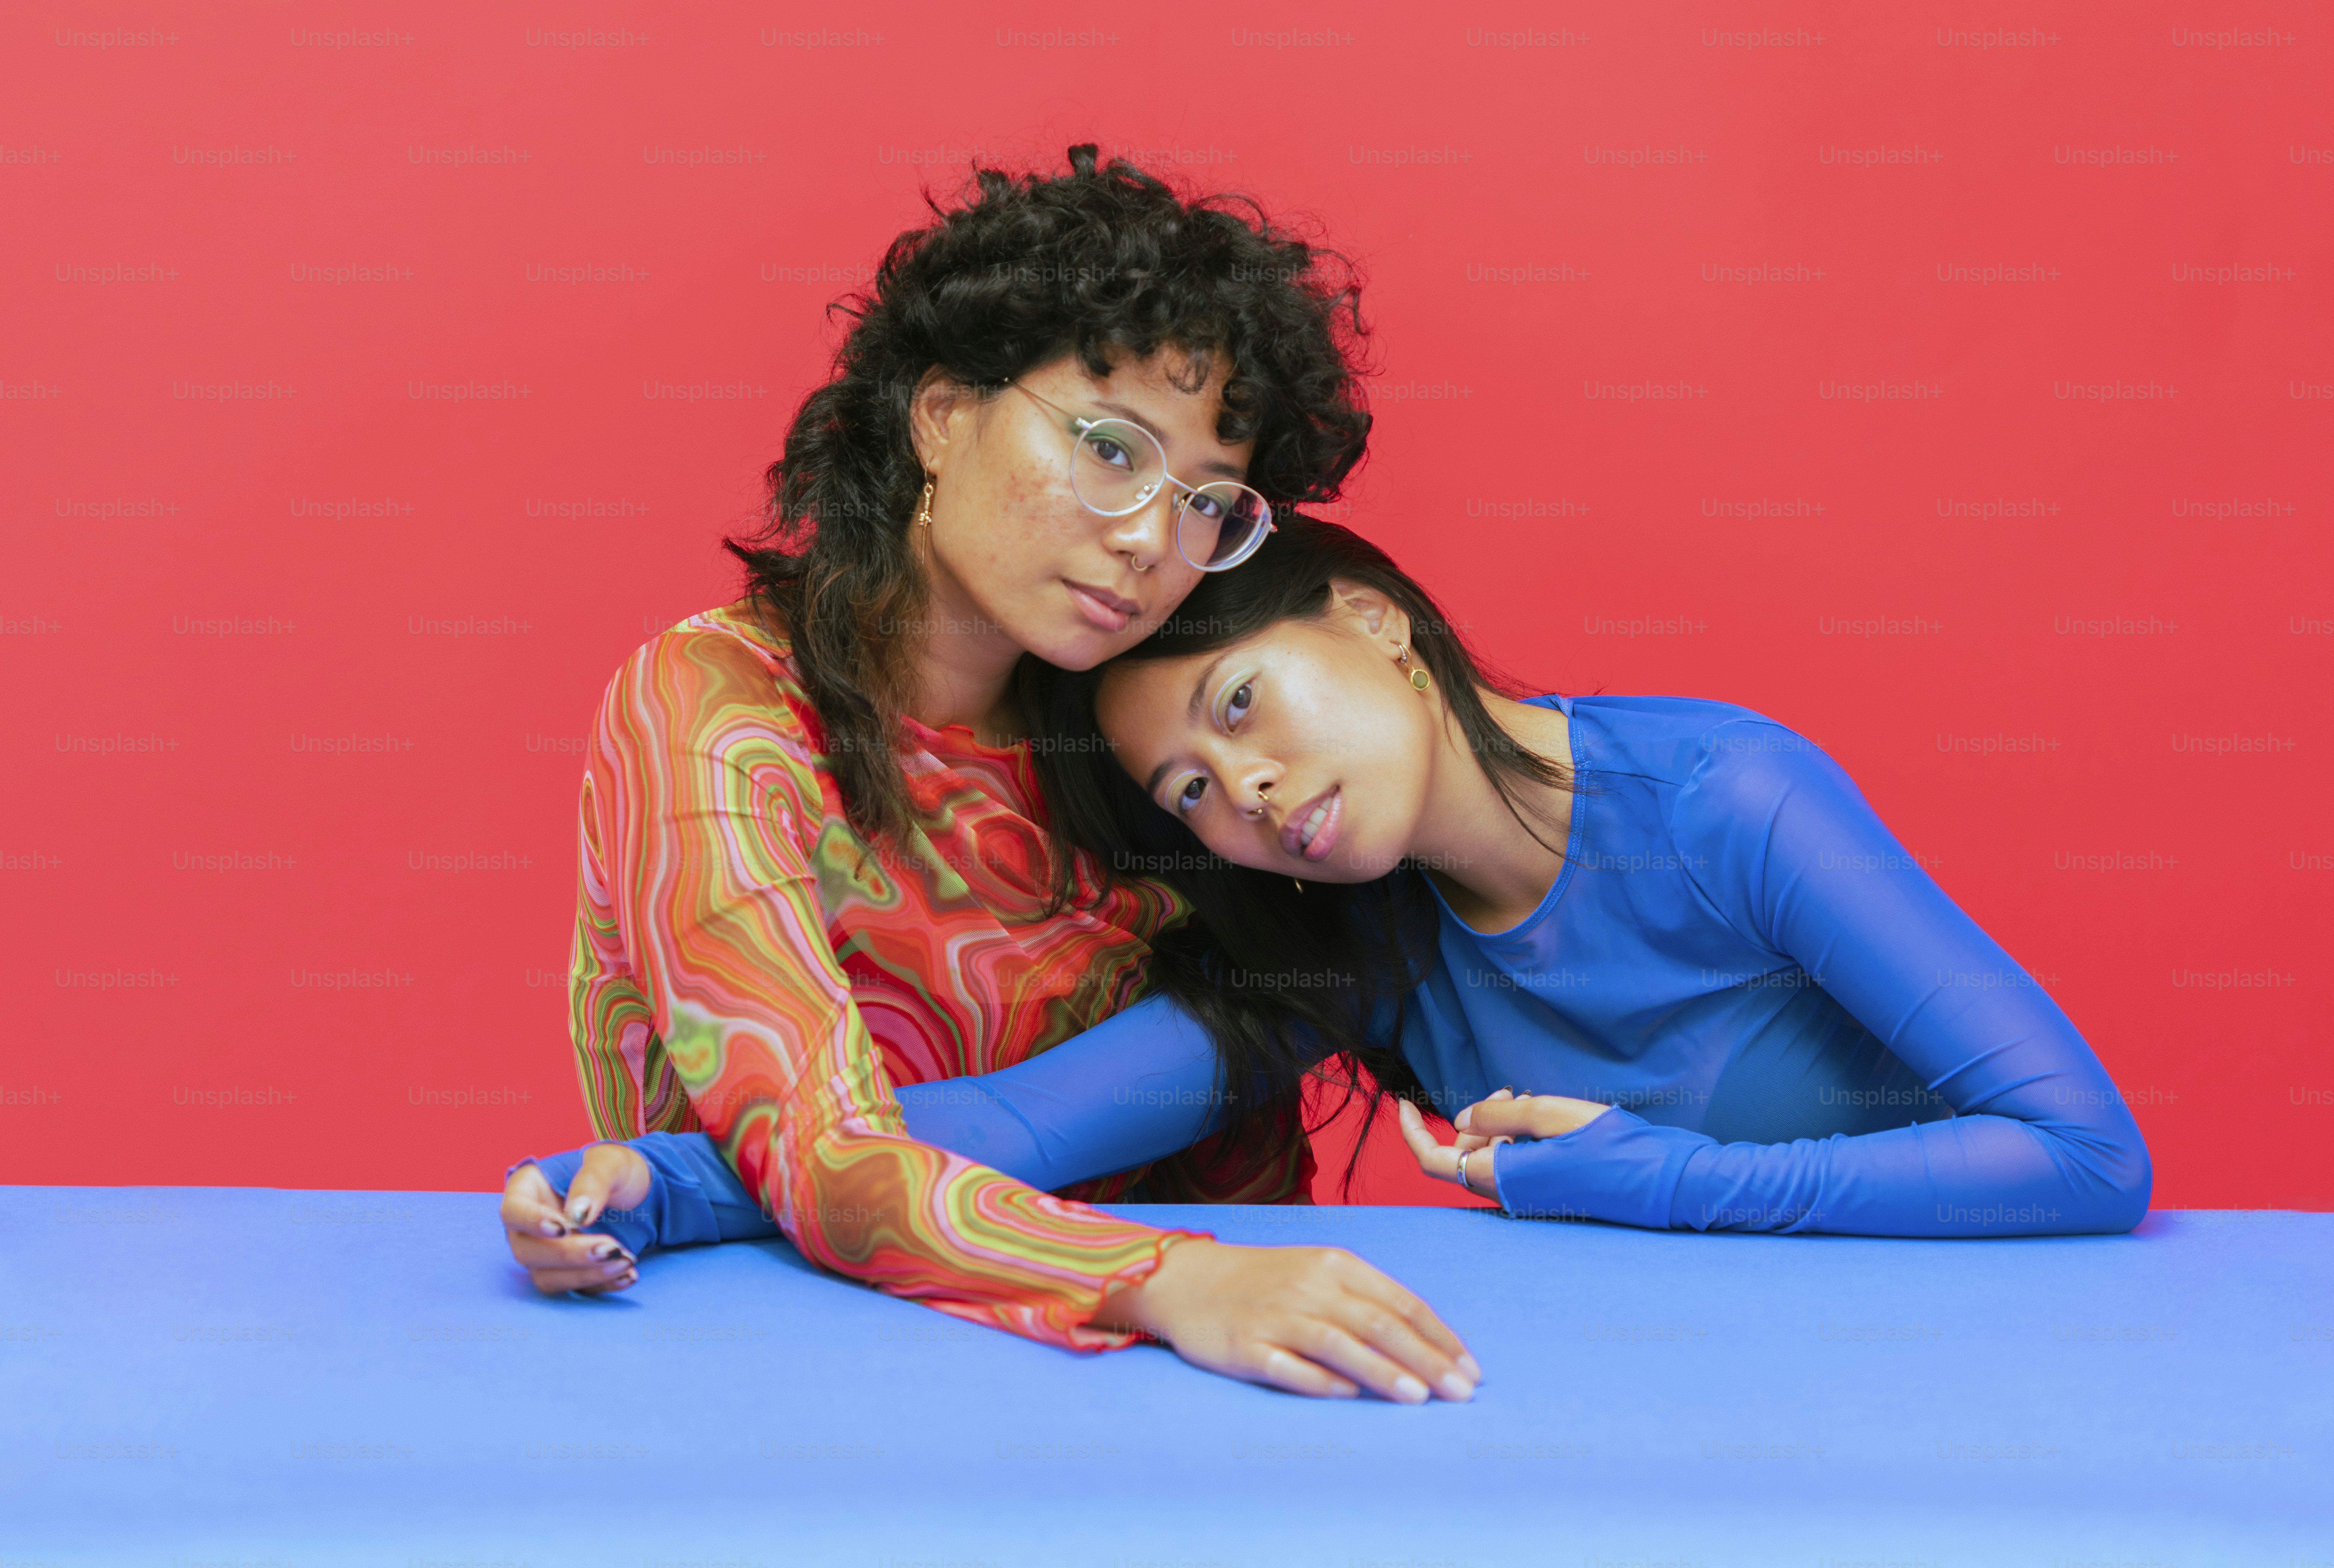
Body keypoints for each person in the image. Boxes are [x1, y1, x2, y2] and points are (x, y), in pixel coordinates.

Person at [499, 146, 1481, 1408]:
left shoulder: (1157, 743)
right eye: (1113, 450)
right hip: (800, 1379)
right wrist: (1172, 1282)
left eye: (1204, 501)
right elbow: (821, 1152)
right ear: (944, 412)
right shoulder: (717, 705)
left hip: (1215, 1390)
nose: (1147, 540)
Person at [537, 519, 2153, 1245]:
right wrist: (660, 1189)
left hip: (1976, 1393)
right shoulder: (1358, 940)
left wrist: (1647, 1179)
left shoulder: (1726, 798)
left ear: (1373, 618)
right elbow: (1020, 1133)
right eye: (1190, 791)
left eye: (1240, 708)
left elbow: (2084, 1156)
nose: (1240, 793)